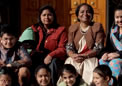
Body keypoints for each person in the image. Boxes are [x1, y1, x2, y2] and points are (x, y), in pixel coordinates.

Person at [19, 5, 67, 86]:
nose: (47, 17)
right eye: (44, 15)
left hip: (52, 59)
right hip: (37, 56)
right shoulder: (34, 28)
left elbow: (62, 49)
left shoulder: (61, 30)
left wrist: (50, 55)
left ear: (54, 16)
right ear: (40, 17)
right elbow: (22, 42)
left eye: (49, 15)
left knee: (54, 63)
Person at [65, 3, 105, 85]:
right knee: (69, 63)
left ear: (92, 14)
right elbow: (69, 46)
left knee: (89, 65)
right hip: (75, 57)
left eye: (88, 12)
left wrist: (85, 56)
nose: (85, 14)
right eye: (82, 12)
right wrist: (73, 55)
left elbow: (98, 47)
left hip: (90, 57)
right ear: (77, 14)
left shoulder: (97, 26)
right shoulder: (73, 28)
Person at [99, 5, 122, 83]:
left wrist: (119, 54)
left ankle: (113, 83)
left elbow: (118, 54)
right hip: (115, 56)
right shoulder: (113, 31)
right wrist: (105, 53)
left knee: (114, 63)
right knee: (102, 61)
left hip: (119, 58)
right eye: (117, 17)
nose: (120, 20)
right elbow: (108, 47)